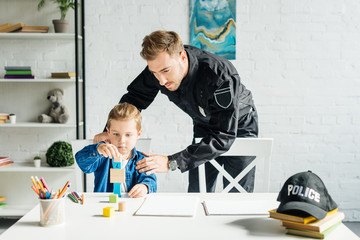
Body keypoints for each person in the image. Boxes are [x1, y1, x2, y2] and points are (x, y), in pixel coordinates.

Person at [94, 30, 258, 192]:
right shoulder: (158, 68)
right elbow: (134, 99)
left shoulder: (220, 75)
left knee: (238, 196)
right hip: (203, 124)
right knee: (197, 191)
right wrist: (109, 132)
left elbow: (224, 134)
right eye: (154, 73)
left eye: (166, 71)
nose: (161, 80)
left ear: (182, 57)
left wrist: (171, 162)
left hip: (238, 126)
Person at [76, 103, 157, 198]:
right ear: (108, 132)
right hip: (104, 206)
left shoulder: (142, 160)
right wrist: (98, 149)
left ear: (138, 134)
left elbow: (151, 180)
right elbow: (81, 161)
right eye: (116, 134)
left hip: (132, 206)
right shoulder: (102, 156)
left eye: (128, 135)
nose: (122, 140)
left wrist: (145, 187)